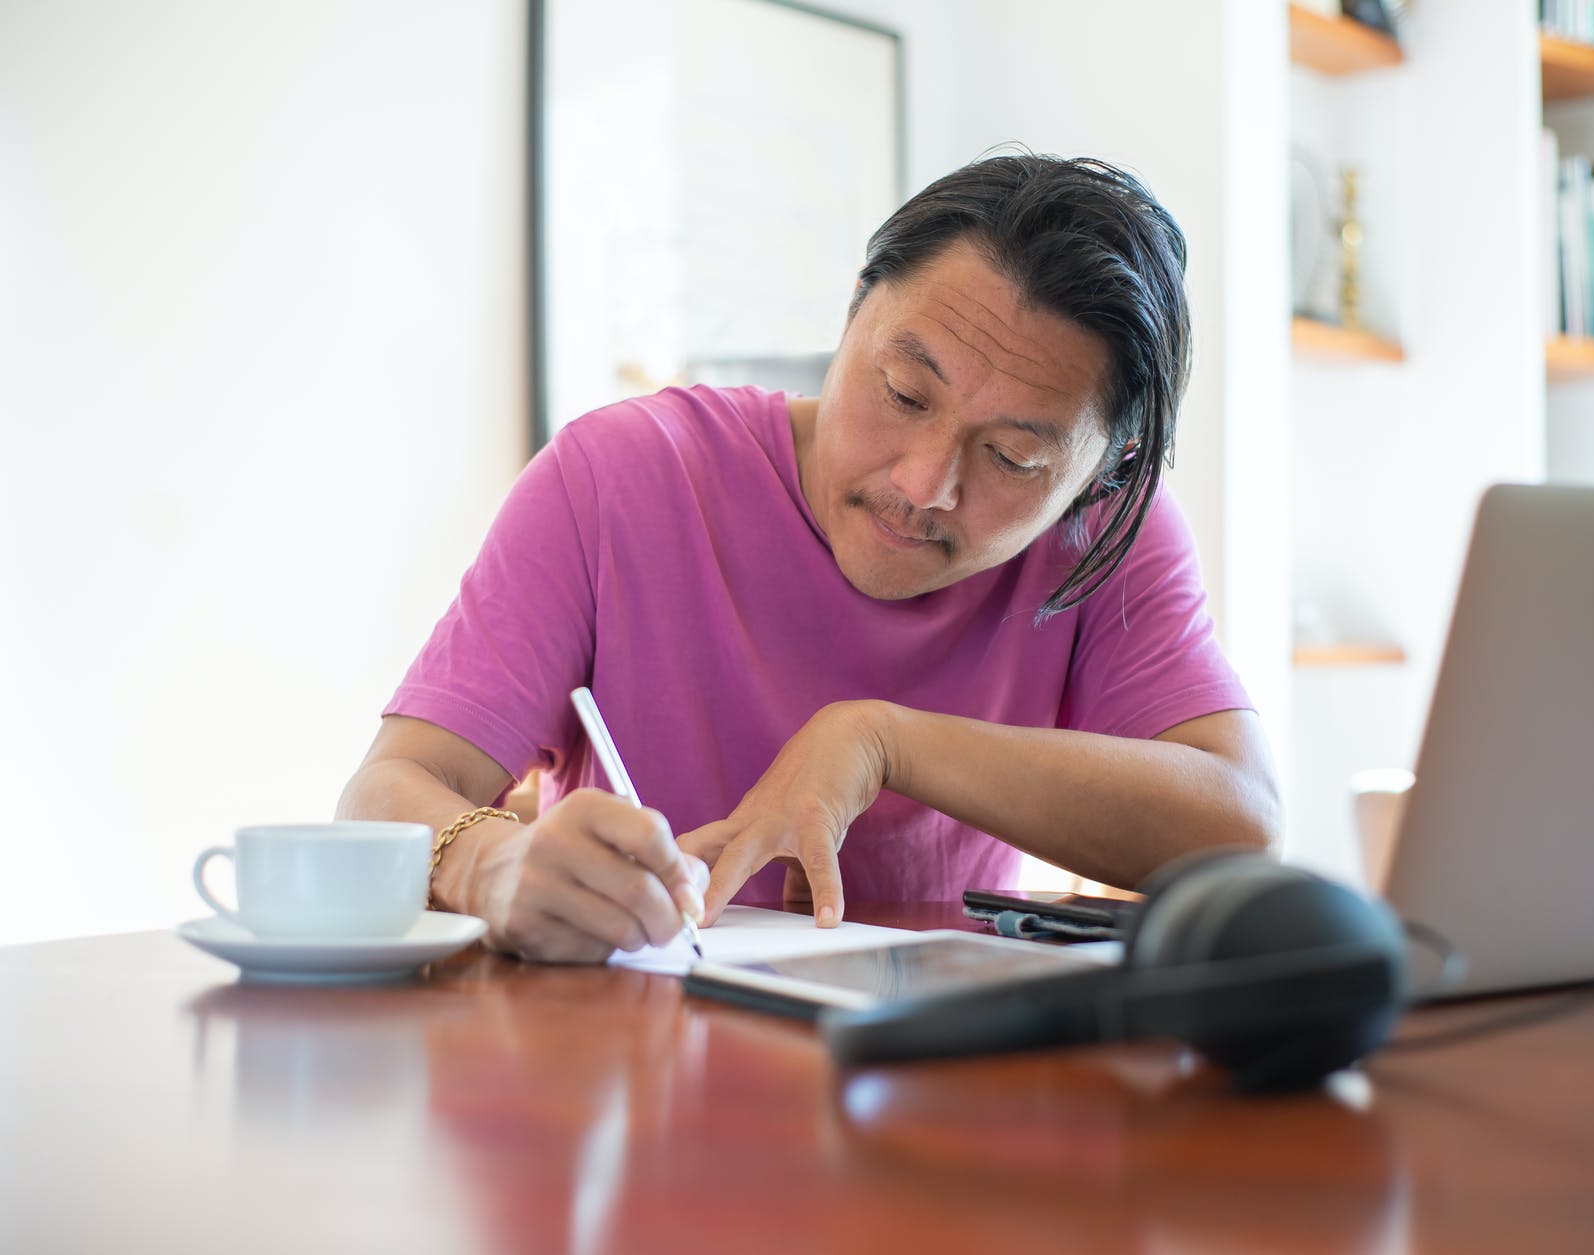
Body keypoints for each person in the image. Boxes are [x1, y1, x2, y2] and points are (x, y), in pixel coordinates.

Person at [337, 153, 1281, 963]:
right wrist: (489, 860)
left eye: (1012, 458)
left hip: (934, 1096)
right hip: (627, 1071)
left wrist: (882, 741)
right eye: (906, 394)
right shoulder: (620, 475)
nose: (922, 485)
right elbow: (382, 792)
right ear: (852, 315)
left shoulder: (1106, 538)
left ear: (1099, 473)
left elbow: (1238, 826)